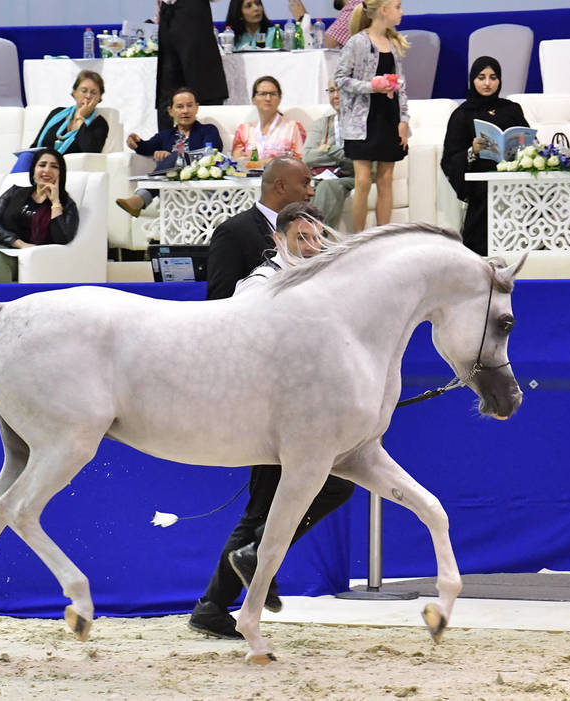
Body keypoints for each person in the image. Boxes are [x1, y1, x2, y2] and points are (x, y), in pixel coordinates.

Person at [190, 202, 357, 640]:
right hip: (265, 417)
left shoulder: (321, 282)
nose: (312, 245)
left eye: (317, 236)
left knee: (278, 505)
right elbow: (238, 341)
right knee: (299, 497)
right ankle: (228, 584)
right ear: (278, 239)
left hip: (300, 419)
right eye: (302, 237)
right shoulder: (261, 283)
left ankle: (214, 602)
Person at [441, 57, 529, 256]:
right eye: (481, 78)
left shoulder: (511, 109)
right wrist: (472, 151)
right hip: (481, 181)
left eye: (493, 77)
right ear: (473, 80)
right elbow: (450, 159)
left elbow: (529, 140)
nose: (487, 83)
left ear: (500, 81)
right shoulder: (462, 114)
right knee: (486, 196)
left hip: (515, 178)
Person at [335, 0, 410, 232]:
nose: (401, 11)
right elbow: (340, 79)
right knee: (364, 181)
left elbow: (402, 86)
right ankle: (359, 238)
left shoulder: (394, 43)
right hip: (362, 121)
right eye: (397, 6)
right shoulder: (357, 42)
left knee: (386, 180)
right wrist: (371, 86)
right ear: (384, 10)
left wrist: (404, 120)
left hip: (389, 117)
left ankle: (382, 236)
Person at [205, 156, 314, 300]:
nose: (311, 192)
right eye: (305, 184)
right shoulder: (233, 233)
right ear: (281, 186)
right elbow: (220, 300)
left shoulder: (313, 229)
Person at [116, 87, 224, 217]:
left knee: (177, 157)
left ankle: (141, 197)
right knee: (175, 157)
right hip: (171, 188)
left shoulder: (208, 130)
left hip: (200, 183)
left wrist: (174, 157)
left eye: (189, 105)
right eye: (179, 107)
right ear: (170, 111)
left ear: (196, 108)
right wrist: (135, 142)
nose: (185, 111)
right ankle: (142, 197)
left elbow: (211, 151)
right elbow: (146, 147)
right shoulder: (166, 135)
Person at [0, 148, 79, 283]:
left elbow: (62, 238)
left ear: (61, 173)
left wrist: (55, 202)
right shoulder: (14, 192)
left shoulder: (67, 205)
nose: (47, 170)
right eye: (42, 165)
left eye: (54, 166)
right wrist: (19, 244)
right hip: (4, 248)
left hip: (36, 257)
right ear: (34, 170)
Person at [12, 70, 109, 174]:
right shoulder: (57, 114)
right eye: (84, 91)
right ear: (74, 93)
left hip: (64, 169)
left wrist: (81, 117)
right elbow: (36, 145)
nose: (88, 96)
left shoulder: (100, 124)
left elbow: (91, 152)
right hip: (41, 164)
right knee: (26, 156)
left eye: (94, 93)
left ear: (99, 98)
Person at [156, 0, 228, 131]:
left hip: (192, 13)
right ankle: (166, 143)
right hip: (168, 14)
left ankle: (207, 140)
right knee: (168, 86)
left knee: (202, 82)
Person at [305, 79, 355, 228]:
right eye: (332, 91)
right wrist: (343, 155)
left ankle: (318, 239)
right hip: (323, 176)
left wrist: (328, 148)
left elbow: (358, 161)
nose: (336, 95)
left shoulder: (363, 122)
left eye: (341, 90)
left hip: (354, 177)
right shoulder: (322, 124)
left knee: (327, 187)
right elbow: (308, 157)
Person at [231, 76, 306, 161]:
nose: (268, 98)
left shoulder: (293, 127)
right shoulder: (244, 129)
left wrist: (260, 161)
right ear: (253, 99)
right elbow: (236, 160)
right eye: (263, 94)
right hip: (250, 173)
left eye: (273, 94)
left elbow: (301, 160)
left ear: (279, 99)